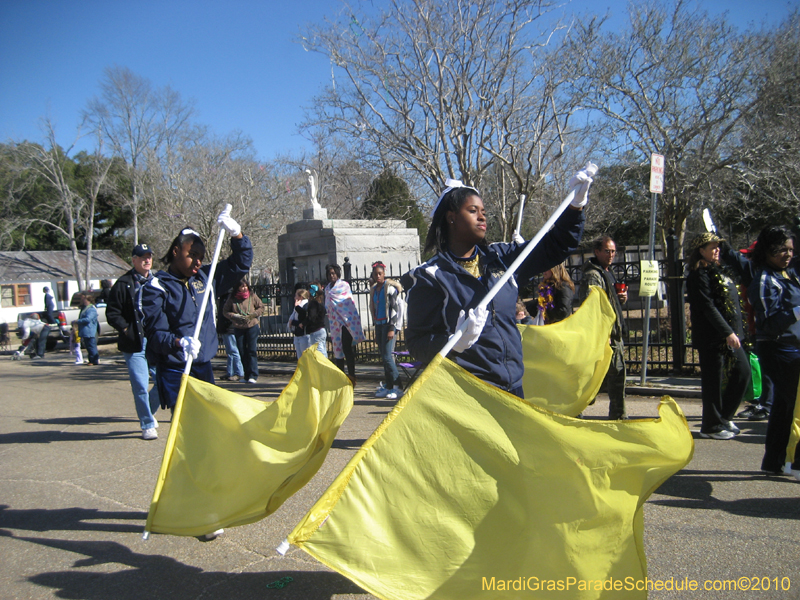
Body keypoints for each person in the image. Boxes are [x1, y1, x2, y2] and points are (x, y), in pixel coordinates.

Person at [402, 170, 589, 397]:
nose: (482, 217)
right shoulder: (429, 276)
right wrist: (453, 343)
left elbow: (556, 246)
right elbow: (416, 343)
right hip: (466, 393)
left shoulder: (504, 258)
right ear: (451, 217)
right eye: (473, 211)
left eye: (484, 212)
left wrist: (575, 207)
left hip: (513, 389)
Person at [141, 206, 253, 412]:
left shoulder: (206, 278)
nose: (198, 261)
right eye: (192, 254)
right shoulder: (157, 287)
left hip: (203, 365)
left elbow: (240, 264)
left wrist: (237, 235)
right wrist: (178, 342)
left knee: (208, 426)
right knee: (185, 425)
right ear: (176, 252)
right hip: (176, 368)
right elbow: (155, 333)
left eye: (201, 256)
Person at [686, 233, 750, 440]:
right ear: (701, 250)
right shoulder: (698, 274)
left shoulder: (721, 270)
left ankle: (724, 417)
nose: (717, 250)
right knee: (713, 382)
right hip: (713, 337)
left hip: (731, 335)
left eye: (718, 247)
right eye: (712, 247)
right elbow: (707, 307)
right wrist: (727, 332)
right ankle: (711, 426)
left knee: (742, 372)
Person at [747, 225, 800, 477]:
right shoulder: (764, 279)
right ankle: (790, 460)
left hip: (793, 348)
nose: (787, 254)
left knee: (785, 406)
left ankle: (775, 461)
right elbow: (767, 324)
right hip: (778, 348)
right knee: (791, 405)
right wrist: (796, 312)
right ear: (767, 251)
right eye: (781, 249)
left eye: (790, 249)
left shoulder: (790, 274)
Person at [106, 243, 161, 440]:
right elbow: (112, 313)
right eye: (142, 257)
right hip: (135, 343)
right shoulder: (123, 283)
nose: (147, 260)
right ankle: (147, 424)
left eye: (149, 256)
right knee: (140, 384)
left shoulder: (158, 282)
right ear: (134, 260)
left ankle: (150, 410)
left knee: (163, 380)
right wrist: (127, 329)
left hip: (157, 341)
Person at [577, 236, 628, 419]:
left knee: (613, 376)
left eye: (613, 251)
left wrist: (620, 298)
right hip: (605, 336)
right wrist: (603, 333)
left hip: (614, 333)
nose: (611, 255)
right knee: (603, 377)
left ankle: (618, 413)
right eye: (607, 251)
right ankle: (577, 409)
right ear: (597, 252)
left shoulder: (606, 271)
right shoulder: (593, 275)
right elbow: (594, 306)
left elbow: (608, 301)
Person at [325, 263, 365, 386]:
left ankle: (352, 376)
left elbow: (348, 305)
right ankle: (341, 378)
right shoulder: (327, 289)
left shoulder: (344, 286)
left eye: (333, 273)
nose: (332, 276)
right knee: (337, 350)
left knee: (347, 349)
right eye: (329, 274)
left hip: (345, 323)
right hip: (334, 323)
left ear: (338, 273)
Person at [370, 261, 404, 399]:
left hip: (388, 325)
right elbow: (374, 307)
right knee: (383, 358)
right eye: (375, 274)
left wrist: (391, 328)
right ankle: (389, 386)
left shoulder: (389, 288)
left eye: (380, 273)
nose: (378, 276)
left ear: (384, 274)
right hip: (379, 324)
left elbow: (394, 309)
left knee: (388, 357)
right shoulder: (374, 289)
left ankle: (398, 386)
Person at [223, 276, 264, 383]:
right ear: (238, 288)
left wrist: (254, 314)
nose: (244, 288)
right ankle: (246, 375)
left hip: (252, 326)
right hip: (239, 327)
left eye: (246, 286)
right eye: (242, 286)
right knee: (242, 351)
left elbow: (261, 307)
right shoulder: (232, 299)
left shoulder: (252, 296)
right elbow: (225, 311)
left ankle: (253, 375)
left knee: (251, 350)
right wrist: (234, 316)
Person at [217, 286, 245, 382]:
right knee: (230, 351)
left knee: (233, 350)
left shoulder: (230, 297)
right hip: (225, 327)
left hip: (230, 327)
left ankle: (238, 372)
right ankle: (230, 372)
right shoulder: (225, 297)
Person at [73, 292, 99, 365]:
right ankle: (91, 359)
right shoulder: (84, 308)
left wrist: (78, 321)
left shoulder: (91, 309)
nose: (83, 300)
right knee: (88, 346)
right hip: (85, 330)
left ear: (88, 300)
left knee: (91, 346)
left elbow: (88, 319)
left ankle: (94, 360)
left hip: (90, 330)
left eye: (84, 299)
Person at [303, 282, 328, 356]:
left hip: (316, 331)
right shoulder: (320, 302)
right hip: (321, 330)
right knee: (322, 350)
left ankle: (324, 366)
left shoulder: (313, 303)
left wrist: (303, 323)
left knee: (319, 352)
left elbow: (311, 317)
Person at [288, 288, 312, 358]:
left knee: (305, 357)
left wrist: (293, 322)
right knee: (300, 358)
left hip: (304, 335)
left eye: (296, 296)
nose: (294, 297)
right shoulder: (298, 306)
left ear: (300, 297)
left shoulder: (305, 305)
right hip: (297, 334)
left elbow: (303, 319)